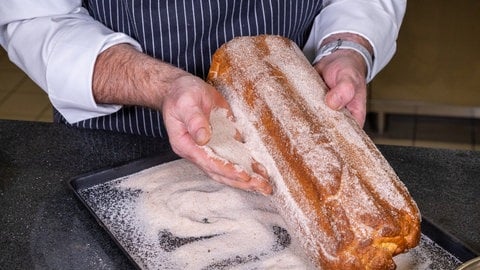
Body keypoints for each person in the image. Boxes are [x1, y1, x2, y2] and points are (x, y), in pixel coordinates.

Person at [0, 0, 406, 194]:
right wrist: (162, 85)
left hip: (294, 147)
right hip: (117, 146)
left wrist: (348, 48)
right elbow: (36, 17)